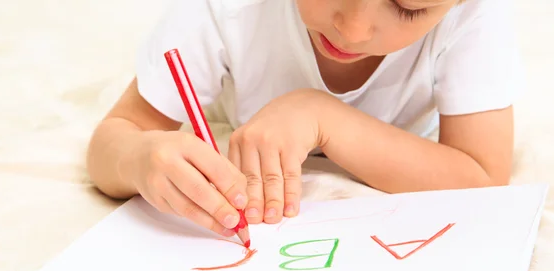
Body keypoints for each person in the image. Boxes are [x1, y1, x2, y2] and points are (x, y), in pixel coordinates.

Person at [86, 0, 522, 238]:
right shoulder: (225, 9)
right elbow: (116, 137)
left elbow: (481, 178)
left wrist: (324, 115)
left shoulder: (475, 12)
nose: (352, 29)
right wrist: (138, 158)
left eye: (408, 8)